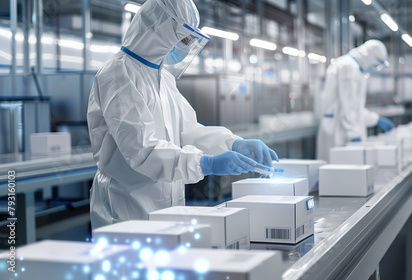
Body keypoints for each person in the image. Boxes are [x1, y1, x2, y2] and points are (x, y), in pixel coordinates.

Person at [87, 0, 278, 229]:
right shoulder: (119, 73)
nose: (186, 47)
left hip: (168, 207)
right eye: (184, 39)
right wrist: (205, 163)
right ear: (159, 30)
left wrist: (233, 143)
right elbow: (142, 151)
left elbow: (189, 132)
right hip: (126, 208)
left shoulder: (163, 77)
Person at [316, 40, 395, 161]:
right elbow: (348, 108)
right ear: (369, 56)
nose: (373, 68)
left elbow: (355, 109)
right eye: (376, 64)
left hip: (342, 129)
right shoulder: (348, 67)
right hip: (339, 132)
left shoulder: (354, 68)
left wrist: (376, 119)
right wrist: (354, 135)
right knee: (337, 174)